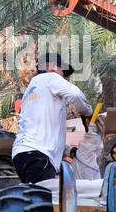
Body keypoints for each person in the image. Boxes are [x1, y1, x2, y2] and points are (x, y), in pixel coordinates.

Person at [12, 53, 94, 184]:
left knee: (32, 198)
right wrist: (88, 113)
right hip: (38, 157)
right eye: (62, 71)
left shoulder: (33, 88)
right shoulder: (50, 77)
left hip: (22, 154)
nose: (63, 76)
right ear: (53, 67)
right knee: (42, 202)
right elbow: (76, 94)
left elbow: (42, 130)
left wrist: (68, 150)